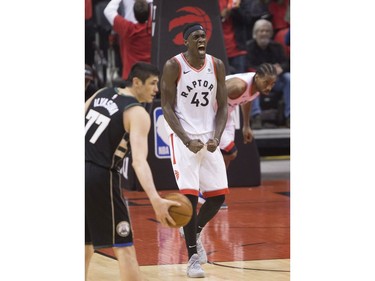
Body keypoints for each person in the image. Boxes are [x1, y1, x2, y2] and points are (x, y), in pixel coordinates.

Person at [85, 62, 180, 281]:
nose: (156, 89)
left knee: (85, 244)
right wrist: (155, 199)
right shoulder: (136, 112)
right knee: (124, 245)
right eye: (153, 83)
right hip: (100, 176)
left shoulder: (102, 92)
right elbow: (139, 162)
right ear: (136, 82)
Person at [160, 23, 229, 278]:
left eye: (204, 36)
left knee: (218, 195)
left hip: (208, 137)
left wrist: (217, 136)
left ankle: (194, 230)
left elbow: (223, 106)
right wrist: (186, 139)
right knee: (188, 198)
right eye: (196, 37)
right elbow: (166, 106)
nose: (202, 40)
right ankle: (192, 259)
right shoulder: (173, 65)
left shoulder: (217, 65)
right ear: (186, 41)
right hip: (183, 138)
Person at [197, 63, 277, 209]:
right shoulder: (238, 86)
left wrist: (246, 125)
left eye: (272, 84)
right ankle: (205, 190)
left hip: (228, 114)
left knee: (228, 155)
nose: (269, 88)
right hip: (212, 115)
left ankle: (211, 190)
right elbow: (208, 96)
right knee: (230, 151)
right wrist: (202, 122)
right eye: (266, 83)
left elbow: (247, 100)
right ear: (257, 77)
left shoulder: (256, 88)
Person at [246, 18, 290, 128]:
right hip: (259, 81)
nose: (264, 33)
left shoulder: (277, 47)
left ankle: (290, 116)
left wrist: (281, 68)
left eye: (267, 31)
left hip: (276, 81)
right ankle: (256, 116)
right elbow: (248, 66)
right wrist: (267, 69)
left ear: (270, 33)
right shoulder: (249, 47)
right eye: (261, 31)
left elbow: (286, 63)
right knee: (251, 78)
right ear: (255, 33)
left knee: (289, 78)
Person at [104, 0, 152, 80]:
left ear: (134, 13)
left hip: (131, 77)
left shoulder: (127, 29)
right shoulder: (153, 29)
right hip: (150, 76)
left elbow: (108, 11)